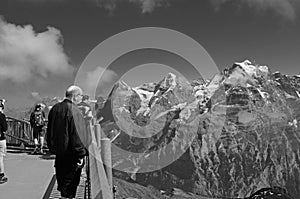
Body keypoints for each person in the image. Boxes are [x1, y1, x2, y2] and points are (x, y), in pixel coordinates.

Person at [47, 85, 87, 199]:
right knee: (70, 184)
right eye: (81, 96)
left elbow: (50, 129)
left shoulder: (55, 108)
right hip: (71, 154)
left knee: (62, 182)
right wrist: (81, 154)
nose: (81, 99)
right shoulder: (75, 111)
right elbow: (76, 135)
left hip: (59, 153)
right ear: (75, 96)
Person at [0, 100, 8, 184]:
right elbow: (5, 128)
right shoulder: (1, 116)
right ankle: (1, 175)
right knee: (0, 157)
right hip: (1, 139)